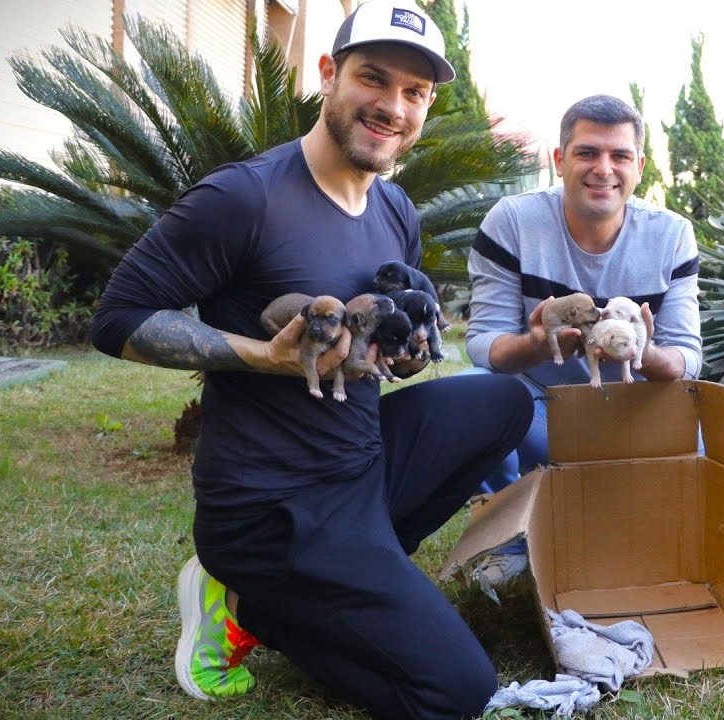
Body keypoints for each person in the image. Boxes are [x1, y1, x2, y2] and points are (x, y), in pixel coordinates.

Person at [89, 1, 533, 716]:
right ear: (329, 75)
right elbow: (117, 319)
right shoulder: (245, 196)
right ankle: (258, 606)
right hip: (272, 508)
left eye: (415, 92)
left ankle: (347, 578)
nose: (393, 107)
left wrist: (405, 355)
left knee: (502, 401)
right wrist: (264, 355)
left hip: (359, 468)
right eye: (373, 78)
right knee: (459, 695)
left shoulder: (395, 210)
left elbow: (386, 350)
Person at [464, 94, 703, 493]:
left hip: (632, 410)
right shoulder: (513, 221)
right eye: (587, 153)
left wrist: (643, 353)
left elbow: (688, 357)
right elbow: (482, 343)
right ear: (560, 160)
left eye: (620, 156)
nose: (603, 169)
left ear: (640, 166)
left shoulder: (672, 235)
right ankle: (503, 524)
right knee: (472, 391)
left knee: (694, 437)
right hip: (540, 411)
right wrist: (537, 345)